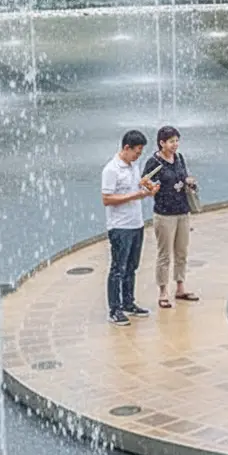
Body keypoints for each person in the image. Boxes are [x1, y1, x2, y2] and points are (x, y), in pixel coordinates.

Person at [101, 130, 159, 326]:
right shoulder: (111, 170)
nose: (138, 156)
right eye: (137, 152)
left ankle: (128, 302)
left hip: (136, 223)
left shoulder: (134, 165)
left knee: (132, 267)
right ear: (126, 148)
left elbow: (137, 185)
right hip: (120, 226)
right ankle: (114, 309)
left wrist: (148, 188)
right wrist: (135, 196)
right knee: (118, 268)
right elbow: (107, 199)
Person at [143, 126, 199, 310]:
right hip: (164, 213)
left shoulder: (179, 158)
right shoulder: (153, 162)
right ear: (161, 143)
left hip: (182, 211)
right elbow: (144, 184)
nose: (175, 145)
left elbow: (183, 177)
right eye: (171, 141)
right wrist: (151, 190)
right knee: (164, 254)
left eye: (176, 141)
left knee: (181, 252)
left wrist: (189, 183)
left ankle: (180, 287)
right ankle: (163, 291)